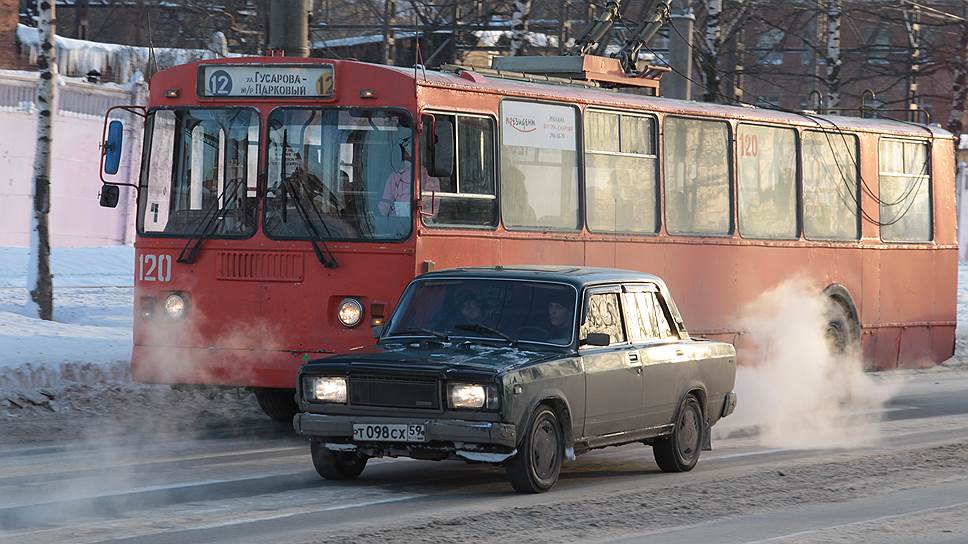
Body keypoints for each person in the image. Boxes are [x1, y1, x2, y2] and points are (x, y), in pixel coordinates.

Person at [378, 144, 441, 217]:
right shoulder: (395, 177)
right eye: (405, 154)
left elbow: (432, 210)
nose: (405, 157)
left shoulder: (430, 178)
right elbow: (384, 207)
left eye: (407, 154)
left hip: (416, 223)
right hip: (396, 222)